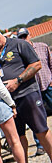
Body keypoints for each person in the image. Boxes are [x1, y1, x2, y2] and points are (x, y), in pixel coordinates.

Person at [0, 25, 52, 163]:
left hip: (28, 94)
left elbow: (36, 64)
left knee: (40, 130)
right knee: (17, 136)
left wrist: (17, 80)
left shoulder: (19, 44)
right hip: (9, 101)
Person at [17, 27, 52, 155]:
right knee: (36, 119)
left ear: (29, 35)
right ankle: (40, 145)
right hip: (32, 89)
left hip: (47, 84)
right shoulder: (20, 53)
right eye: (21, 37)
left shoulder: (42, 47)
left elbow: (51, 63)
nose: (23, 39)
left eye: (25, 36)